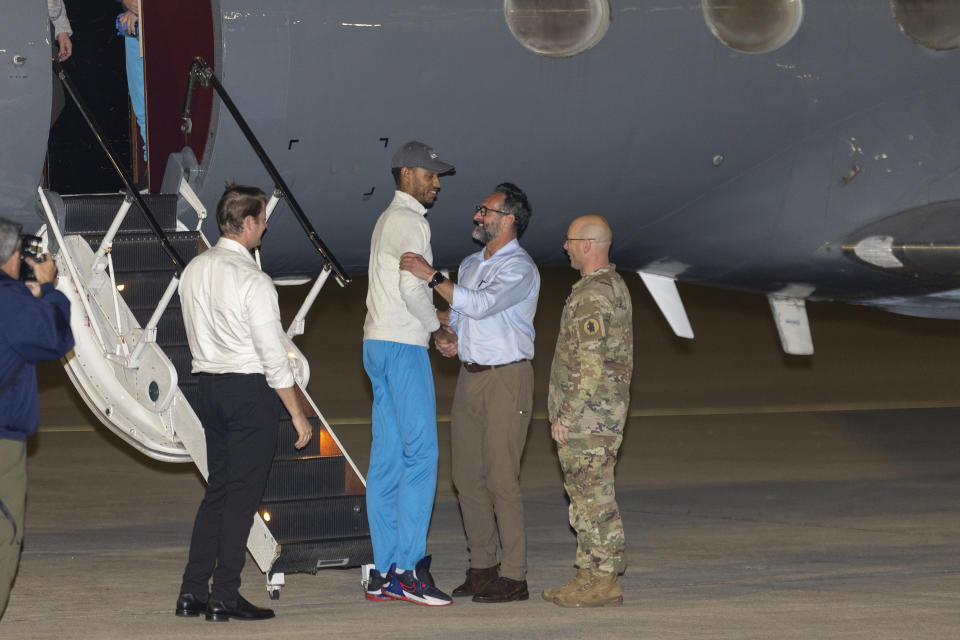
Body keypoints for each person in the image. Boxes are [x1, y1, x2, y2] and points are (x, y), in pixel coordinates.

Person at [175, 184, 312, 622]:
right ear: (248, 223)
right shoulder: (254, 281)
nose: (266, 228)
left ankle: (192, 591)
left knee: (217, 491)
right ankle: (225, 595)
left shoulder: (193, 270)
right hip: (249, 393)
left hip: (209, 389)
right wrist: (296, 412)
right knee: (241, 497)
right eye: (263, 221)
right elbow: (274, 357)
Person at [399, 183, 539, 603]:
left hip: (506, 379)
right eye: (479, 210)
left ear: (509, 219)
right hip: (471, 378)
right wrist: (448, 336)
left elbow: (479, 304)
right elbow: (461, 315)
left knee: (501, 478)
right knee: (466, 478)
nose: (478, 216)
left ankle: (515, 575)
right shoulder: (472, 262)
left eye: (487, 211)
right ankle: (483, 565)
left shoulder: (521, 268)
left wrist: (432, 276)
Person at [361, 141, 456, 606]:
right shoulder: (413, 222)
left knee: (387, 461)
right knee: (422, 458)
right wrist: (437, 327)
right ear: (406, 174)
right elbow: (411, 287)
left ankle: (381, 573)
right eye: (430, 174)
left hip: (375, 343)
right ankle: (408, 571)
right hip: (401, 346)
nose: (437, 182)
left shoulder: (386, 220)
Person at [543, 215, 633, 608]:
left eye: (569, 240)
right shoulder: (607, 286)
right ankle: (589, 572)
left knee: (594, 499)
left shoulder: (593, 295)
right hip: (598, 415)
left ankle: (605, 578)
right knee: (583, 498)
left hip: (590, 418)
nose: (565, 247)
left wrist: (567, 414)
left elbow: (589, 363)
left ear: (588, 245)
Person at [0, 217, 74, 618]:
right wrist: (47, 288)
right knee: (4, 536)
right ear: (13, 257)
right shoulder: (12, 303)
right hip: (1, 438)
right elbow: (57, 338)